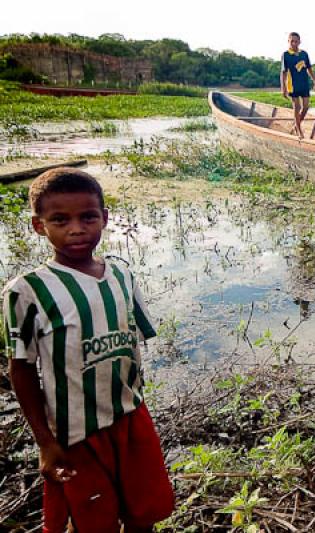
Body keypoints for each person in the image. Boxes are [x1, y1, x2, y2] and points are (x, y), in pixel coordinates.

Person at [3, 168, 174, 532]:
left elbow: (131, 344)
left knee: (144, 512)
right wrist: (45, 443)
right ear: (39, 226)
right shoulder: (28, 290)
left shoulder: (121, 275)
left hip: (130, 418)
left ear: (104, 219)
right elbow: (20, 369)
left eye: (88, 217)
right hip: (77, 434)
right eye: (60, 220)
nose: (76, 229)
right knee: (94, 522)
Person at [281, 32, 315, 139]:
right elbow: (283, 72)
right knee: (297, 107)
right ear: (288, 42)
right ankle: (299, 131)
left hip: (304, 84)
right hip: (292, 85)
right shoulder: (286, 55)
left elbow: (310, 69)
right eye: (291, 41)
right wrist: (283, 88)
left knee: (306, 107)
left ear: (299, 42)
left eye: (296, 41)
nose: (294, 43)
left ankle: (296, 124)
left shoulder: (304, 54)